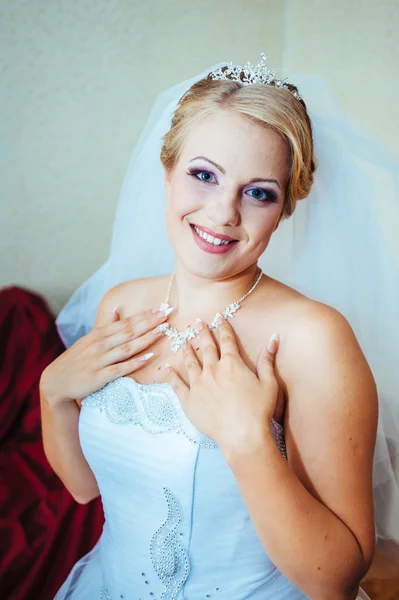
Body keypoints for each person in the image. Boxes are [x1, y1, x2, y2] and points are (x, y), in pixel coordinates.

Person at [40, 55, 399, 600]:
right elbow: (86, 488)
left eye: (259, 192)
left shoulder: (313, 339)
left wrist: (247, 439)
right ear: (166, 174)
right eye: (203, 175)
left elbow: (335, 580)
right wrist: (53, 394)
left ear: (283, 210)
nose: (223, 212)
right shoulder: (122, 305)